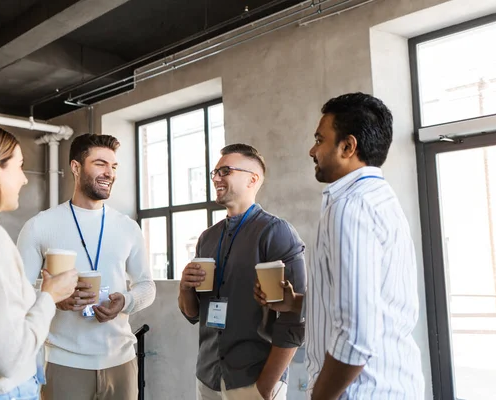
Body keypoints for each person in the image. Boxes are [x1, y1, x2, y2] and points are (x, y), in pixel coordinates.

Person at [255, 92, 424, 399]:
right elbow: (370, 304)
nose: (312, 149)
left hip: (362, 391)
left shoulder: (351, 206)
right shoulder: (379, 197)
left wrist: (321, 396)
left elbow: (356, 335)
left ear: (347, 146)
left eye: (320, 139)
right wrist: (296, 303)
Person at [17, 133, 156, 400]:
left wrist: (125, 301)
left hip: (121, 362)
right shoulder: (40, 225)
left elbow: (146, 285)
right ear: (76, 167)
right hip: (64, 363)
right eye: (100, 163)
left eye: (114, 166)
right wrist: (53, 297)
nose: (110, 173)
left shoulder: (128, 227)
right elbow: (18, 292)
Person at [179, 144, 306, 400]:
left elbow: (293, 319)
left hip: (254, 379)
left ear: (252, 179)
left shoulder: (276, 233)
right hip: (208, 377)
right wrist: (184, 287)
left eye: (225, 171)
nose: (215, 178)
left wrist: (266, 386)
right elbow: (193, 313)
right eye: (214, 172)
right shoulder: (207, 238)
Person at [0, 123, 78, 400]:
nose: (24, 179)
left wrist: (42, 294)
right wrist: (48, 297)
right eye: (19, 166)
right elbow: (8, 358)